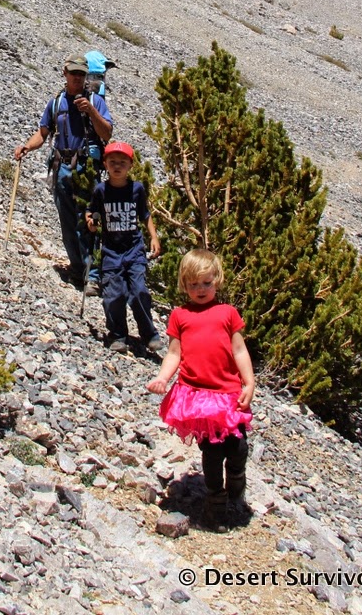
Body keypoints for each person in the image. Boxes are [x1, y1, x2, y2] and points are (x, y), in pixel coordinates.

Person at [146, 249, 255, 526]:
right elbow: (174, 353)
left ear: (217, 280)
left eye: (206, 283)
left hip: (228, 393)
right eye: (193, 284)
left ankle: (236, 484)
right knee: (212, 451)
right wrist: (163, 378)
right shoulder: (180, 315)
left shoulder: (227, 313)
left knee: (238, 447)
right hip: (197, 395)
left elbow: (240, 350)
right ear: (184, 285)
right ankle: (216, 501)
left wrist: (249, 382)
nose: (200, 289)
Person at [14, 53, 113, 293]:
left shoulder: (95, 102)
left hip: (86, 167)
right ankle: (78, 269)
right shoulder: (56, 102)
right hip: (61, 166)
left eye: (82, 74)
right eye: (74, 73)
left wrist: (91, 111)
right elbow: (43, 133)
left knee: (88, 220)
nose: (78, 78)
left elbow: (107, 133)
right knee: (68, 221)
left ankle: (94, 275)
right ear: (65, 73)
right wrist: (27, 146)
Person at [85, 141, 162, 355]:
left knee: (138, 291)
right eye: (112, 162)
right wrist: (91, 222)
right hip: (110, 251)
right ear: (105, 164)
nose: (117, 166)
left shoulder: (137, 189)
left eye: (122, 162)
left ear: (130, 165)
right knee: (113, 294)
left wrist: (153, 237)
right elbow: (90, 211)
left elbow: (145, 214)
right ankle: (118, 334)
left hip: (134, 249)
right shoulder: (101, 190)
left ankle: (149, 333)